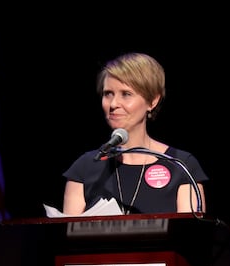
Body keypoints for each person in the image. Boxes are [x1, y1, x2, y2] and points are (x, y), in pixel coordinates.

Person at [62, 52, 208, 215]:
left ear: (152, 101)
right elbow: (68, 235)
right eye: (108, 94)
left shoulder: (180, 165)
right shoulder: (85, 167)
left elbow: (189, 235)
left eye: (126, 94)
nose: (114, 104)